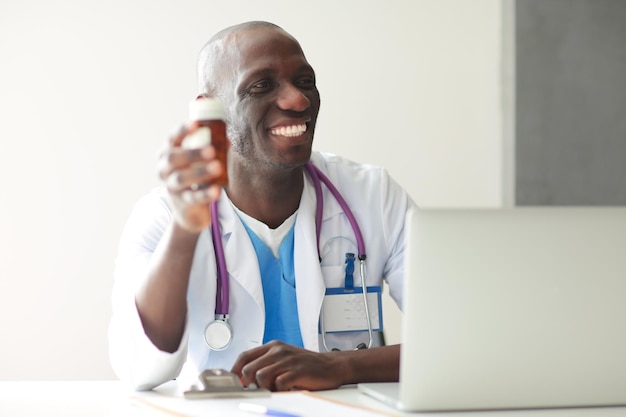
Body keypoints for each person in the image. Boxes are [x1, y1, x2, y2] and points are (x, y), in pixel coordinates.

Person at [108, 20, 415, 392]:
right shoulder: (163, 216)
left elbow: (459, 342)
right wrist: (185, 230)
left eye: (304, 81)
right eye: (262, 85)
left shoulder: (373, 196)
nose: (297, 101)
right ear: (211, 110)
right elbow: (139, 366)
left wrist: (339, 366)